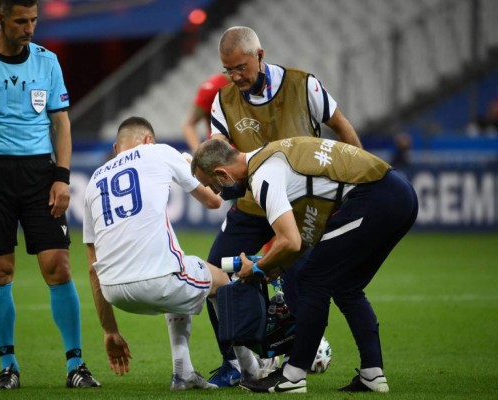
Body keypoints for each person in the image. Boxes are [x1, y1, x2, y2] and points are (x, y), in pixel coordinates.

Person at [0, 0, 99, 390]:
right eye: (21, 21)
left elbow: (61, 124)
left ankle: (76, 365)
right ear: (0, 19)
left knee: (58, 267)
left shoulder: (47, 62)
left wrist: (62, 178)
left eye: (34, 20)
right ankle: (9, 366)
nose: (30, 27)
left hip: (39, 174)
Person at [191, 137, 419, 394]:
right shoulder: (271, 155)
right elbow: (301, 235)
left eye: (213, 184)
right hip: (396, 193)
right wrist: (277, 265)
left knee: (312, 280)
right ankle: (372, 375)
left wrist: (257, 269)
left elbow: (289, 240)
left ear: (221, 173)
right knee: (347, 287)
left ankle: (293, 376)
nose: (218, 193)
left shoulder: (263, 176)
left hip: (375, 197)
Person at [204, 25, 363, 387]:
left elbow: (341, 126)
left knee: (304, 282)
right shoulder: (223, 100)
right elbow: (219, 150)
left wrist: (357, 177)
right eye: (227, 70)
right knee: (213, 275)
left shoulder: (303, 85)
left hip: (303, 207)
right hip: (252, 203)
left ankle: (297, 363)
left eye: (241, 67)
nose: (235, 77)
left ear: (260, 56)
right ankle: (234, 363)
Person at [83, 116, 274, 390]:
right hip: (157, 280)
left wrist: (110, 331)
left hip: (114, 292)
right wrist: (187, 166)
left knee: (180, 267)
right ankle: (251, 368)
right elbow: (213, 200)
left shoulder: (94, 181)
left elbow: (92, 267)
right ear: (149, 140)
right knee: (221, 281)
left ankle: (183, 372)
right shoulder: (158, 151)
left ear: (116, 148)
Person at [182, 73, 231, 153]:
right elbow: (189, 125)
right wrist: (199, 154)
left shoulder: (255, 85)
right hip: (221, 154)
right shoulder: (212, 88)